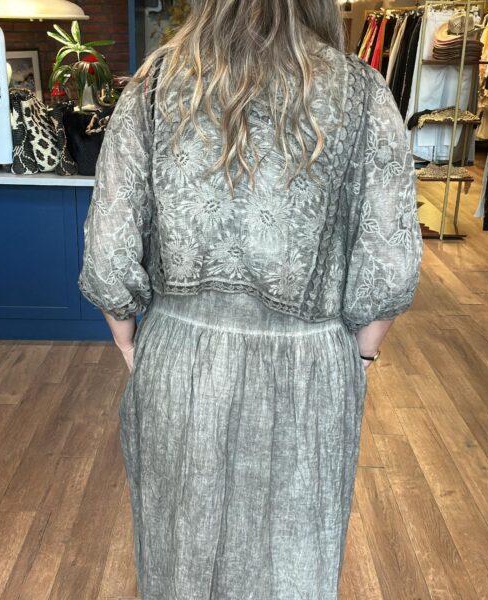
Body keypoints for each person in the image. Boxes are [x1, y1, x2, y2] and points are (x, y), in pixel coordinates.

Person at [78, 0, 423, 597]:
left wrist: (132, 344)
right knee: (295, 558)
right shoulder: (362, 93)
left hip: (179, 355)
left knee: (179, 556)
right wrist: (362, 357)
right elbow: (390, 263)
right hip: (308, 367)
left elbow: (109, 252)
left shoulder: (155, 85)